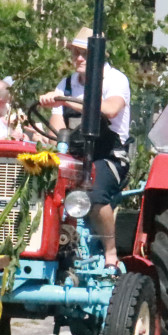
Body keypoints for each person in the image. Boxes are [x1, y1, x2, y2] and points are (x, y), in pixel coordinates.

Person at [38, 27, 131, 268]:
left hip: (108, 154)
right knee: (37, 183)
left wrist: (65, 100)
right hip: (73, 154)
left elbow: (110, 109)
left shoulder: (115, 80)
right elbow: (57, 129)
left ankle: (110, 252)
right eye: (75, 53)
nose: (78, 58)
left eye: (85, 54)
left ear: (99, 56)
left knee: (94, 193)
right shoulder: (67, 83)